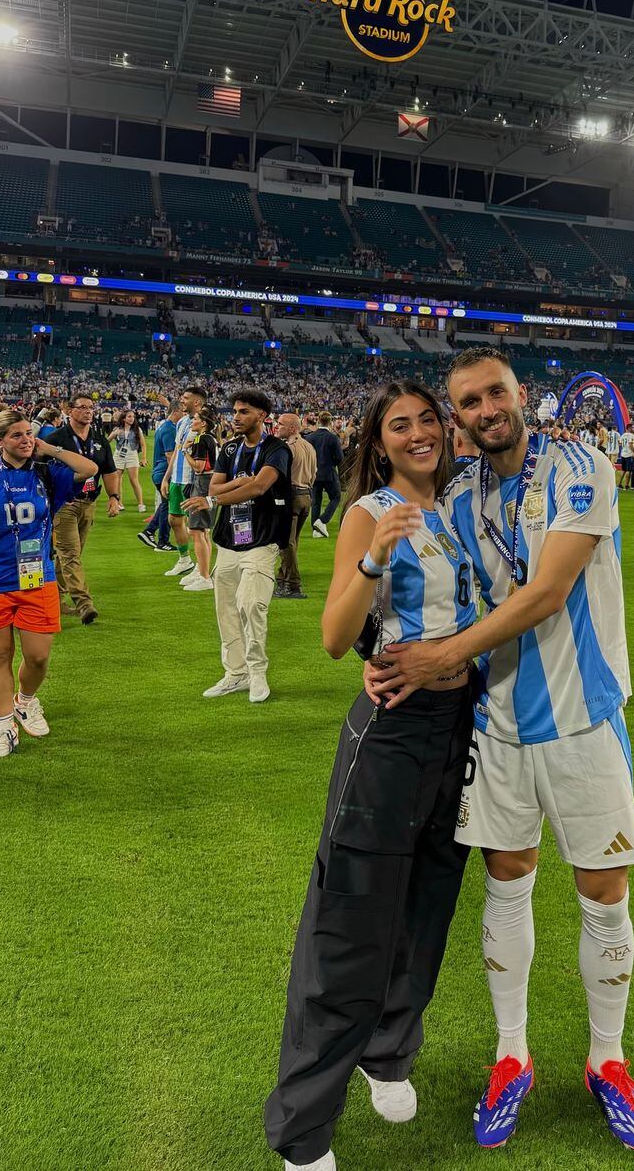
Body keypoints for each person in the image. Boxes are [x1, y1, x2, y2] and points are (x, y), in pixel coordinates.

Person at [369, 346, 634, 1154]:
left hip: (581, 720)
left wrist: (446, 653)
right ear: (457, 419)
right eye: (468, 402)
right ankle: (511, 1055)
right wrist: (388, 646)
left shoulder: (580, 465)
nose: (485, 409)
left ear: (520, 394)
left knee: (604, 893)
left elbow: (549, 591)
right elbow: (425, 590)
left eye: (495, 392)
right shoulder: (459, 494)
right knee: (506, 883)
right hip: (496, 727)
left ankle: (608, 1061)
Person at [265, 381, 476, 1171]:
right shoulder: (372, 510)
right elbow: (331, 637)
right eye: (401, 425)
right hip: (392, 731)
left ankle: (389, 1050)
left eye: (428, 419)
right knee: (350, 918)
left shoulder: (467, 502)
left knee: (428, 902)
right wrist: (373, 554)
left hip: (463, 729)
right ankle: (305, 1126)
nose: (420, 433)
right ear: (378, 443)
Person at [0, 409, 97, 757]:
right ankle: (4, 724)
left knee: (38, 658)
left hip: (37, 577)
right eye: (17, 435)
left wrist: (47, 448)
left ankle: (25, 701)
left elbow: (89, 470)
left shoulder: (46, 474)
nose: (25, 440)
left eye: (28, 433)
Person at [183, 389, 291, 704]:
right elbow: (217, 482)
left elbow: (260, 485)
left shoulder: (277, 449)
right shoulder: (230, 449)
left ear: (262, 415)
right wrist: (238, 483)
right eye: (235, 411)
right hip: (229, 539)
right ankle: (236, 673)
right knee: (226, 608)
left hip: (263, 538)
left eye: (244, 411)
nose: (236, 417)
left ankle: (257, 672)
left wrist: (216, 498)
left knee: (251, 605)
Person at [44, 394, 122, 625]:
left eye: (91, 408)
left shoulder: (99, 439)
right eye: (83, 407)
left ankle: (55, 600)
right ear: (70, 410)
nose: (88, 411)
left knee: (70, 556)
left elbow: (109, 471)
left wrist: (114, 497)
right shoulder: (56, 439)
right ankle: (84, 604)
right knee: (69, 554)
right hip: (64, 505)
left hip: (89, 503)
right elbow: (46, 473)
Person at [160, 386, 208, 580]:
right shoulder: (181, 423)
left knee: (198, 528)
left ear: (196, 402)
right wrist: (166, 477)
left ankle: (201, 568)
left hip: (194, 480)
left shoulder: (206, 423)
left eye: (186, 397)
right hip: (177, 479)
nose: (182, 400)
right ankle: (184, 559)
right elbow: (177, 451)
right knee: (174, 519)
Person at [274, 412, 317, 600]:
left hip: (291, 496)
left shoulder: (288, 448)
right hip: (306, 496)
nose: (277, 426)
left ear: (292, 428)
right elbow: (314, 473)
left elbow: (280, 476)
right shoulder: (309, 447)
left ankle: (293, 585)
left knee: (286, 543)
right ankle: (283, 580)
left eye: (281, 424)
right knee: (292, 542)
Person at [181, 409, 218, 591]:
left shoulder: (201, 439)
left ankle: (204, 577)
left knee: (196, 530)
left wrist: (184, 452)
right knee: (203, 531)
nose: (192, 421)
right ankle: (202, 571)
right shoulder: (212, 438)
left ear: (203, 423)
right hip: (210, 483)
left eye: (195, 419)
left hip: (203, 483)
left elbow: (199, 467)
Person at [138, 399, 182, 551]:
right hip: (164, 472)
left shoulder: (164, 426)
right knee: (168, 506)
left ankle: (150, 532)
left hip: (159, 471)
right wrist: (175, 474)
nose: (184, 415)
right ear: (176, 411)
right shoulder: (170, 429)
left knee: (166, 504)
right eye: (182, 411)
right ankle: (162, 541)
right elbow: (170, 455)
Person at [304, 411, 344, 540]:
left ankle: (316, 529)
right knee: (336, 497)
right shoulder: (333, 437)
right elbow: (339, 457)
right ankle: (322, 521)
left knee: (316, 502)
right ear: (330, 422)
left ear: (319, 421)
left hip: (314, 473)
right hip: (328, 473)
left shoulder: (310, 437)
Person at [110, 408, 147, 512]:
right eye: (129, 416)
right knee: (117, 480)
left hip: (132, 455)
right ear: (124, 418)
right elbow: (106, 441)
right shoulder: (117, 429)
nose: (132, 419)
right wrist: (113, 434)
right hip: (118, 455)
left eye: (133, 417)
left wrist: (143, 458)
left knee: (134, 480)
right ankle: (119, 503)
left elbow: (143, 445)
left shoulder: (137, 429)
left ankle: (140, 504)